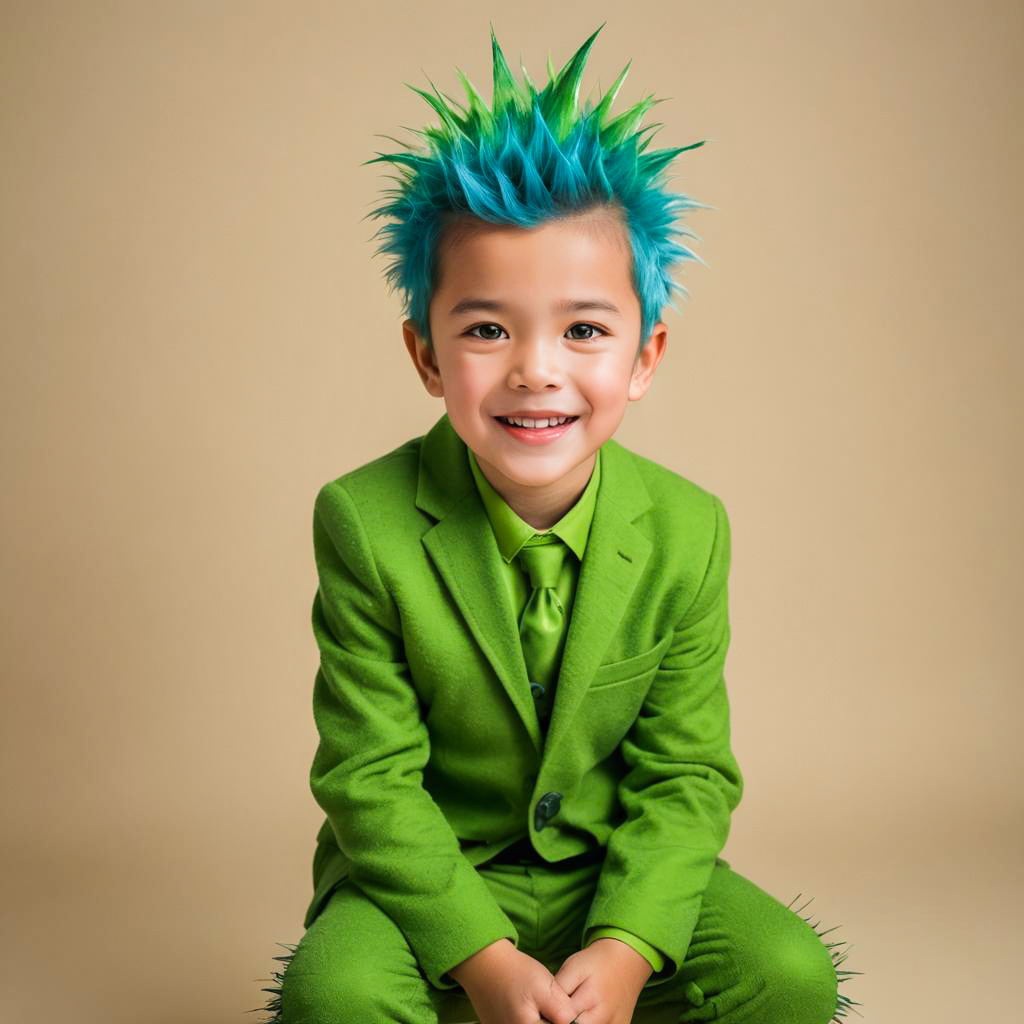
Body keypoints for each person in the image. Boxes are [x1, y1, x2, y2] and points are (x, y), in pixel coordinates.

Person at [256, 23, 861, 1024]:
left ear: (644, 355)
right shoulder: (363, 520)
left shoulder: (686, 527)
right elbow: (369, 779)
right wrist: (484, 959)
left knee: (787, 973)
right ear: (425, 355)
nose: (536, 368)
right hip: (433, 882)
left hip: (600, 877)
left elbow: (686, 772)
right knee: (337, 994)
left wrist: (625, 950)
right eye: (487, 328)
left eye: (583, 329)